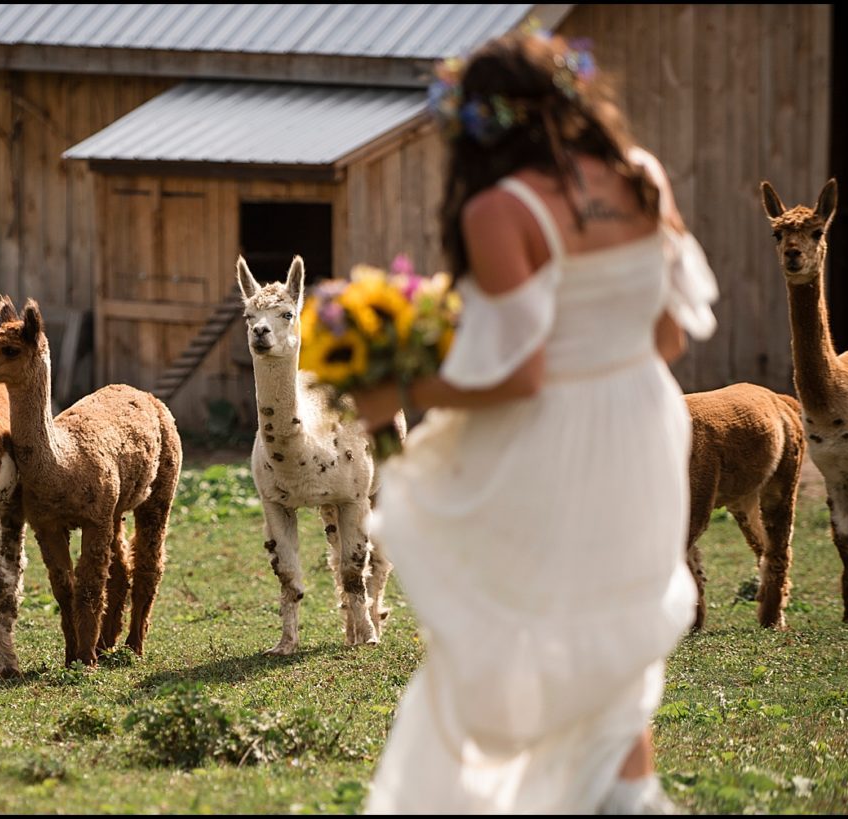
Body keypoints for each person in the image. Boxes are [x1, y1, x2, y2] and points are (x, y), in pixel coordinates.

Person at [352, 29, 719, 815]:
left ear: (475, 124)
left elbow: (520, 375)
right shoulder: (640, 177)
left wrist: (398, 388)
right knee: (613, 627)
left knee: (532, 622)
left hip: (557, 442)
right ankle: (628, 796)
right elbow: (670, 337)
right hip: (649, 424)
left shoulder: (500, 208)